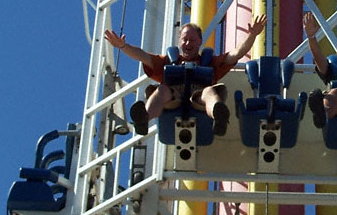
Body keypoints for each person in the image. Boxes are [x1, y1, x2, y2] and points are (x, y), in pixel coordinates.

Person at [104, 15, 266, 136]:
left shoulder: (209, 62)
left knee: (209, 92)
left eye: (192, 40)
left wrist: (252, 35)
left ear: (200, 42)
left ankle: (219, 117)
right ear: (180, 41)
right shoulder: (168, 61)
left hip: (199, 100)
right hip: (173, 101)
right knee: (162, 90)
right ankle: (144, 119)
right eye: (185, 39)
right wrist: (123, 46)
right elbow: (142, 56)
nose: (188, 44)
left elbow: (236, 54)